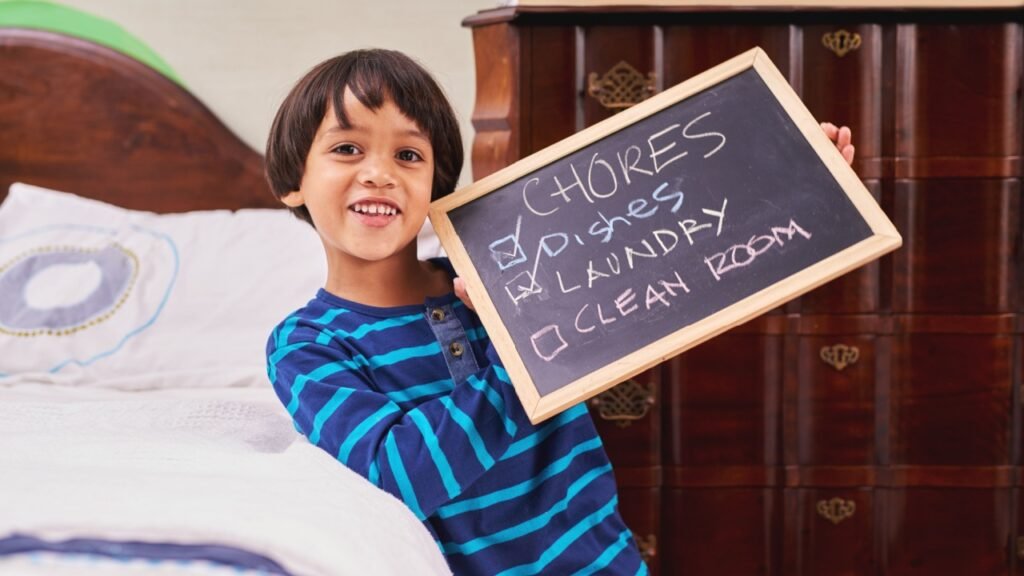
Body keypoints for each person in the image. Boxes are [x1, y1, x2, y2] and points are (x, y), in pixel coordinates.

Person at [264, 48, 855, 575]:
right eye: (347, 148)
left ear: (436, 185)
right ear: (294, 180)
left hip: (606, 560)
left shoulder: (509, 279)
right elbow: (399, 476)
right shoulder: (308, 345)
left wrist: (792, 180)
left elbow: (668, 268)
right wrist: (527, 349)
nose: (380, 172)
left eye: (409, 155)